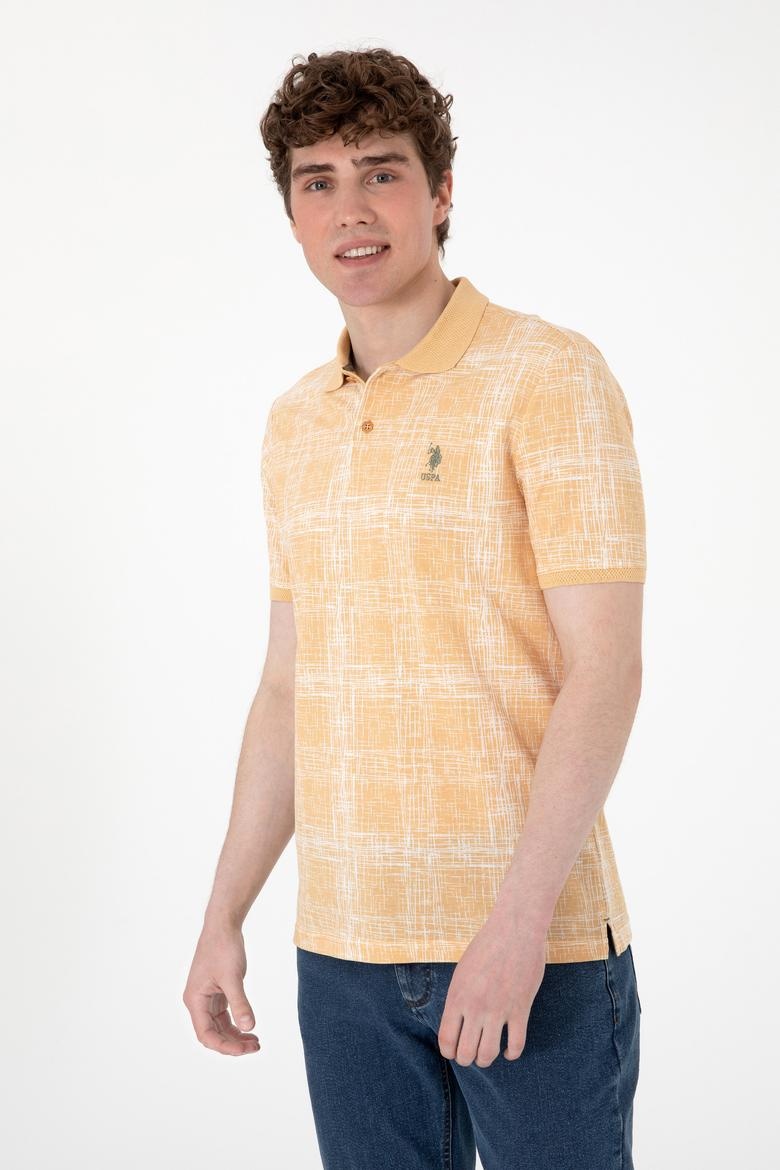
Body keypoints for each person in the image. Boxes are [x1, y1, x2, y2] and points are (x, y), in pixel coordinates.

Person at [183, 46, 646, 1170]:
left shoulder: (549, 375)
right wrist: (223, 914)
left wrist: (519, 927)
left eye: (381, 173)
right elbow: (289, 684)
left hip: (532, 944)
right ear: (292, 215)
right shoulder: (296, 421)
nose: (351, 209)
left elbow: (607, 669)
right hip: (343, 949)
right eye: (319, 181)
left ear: (440, 193)